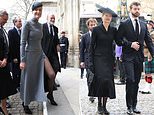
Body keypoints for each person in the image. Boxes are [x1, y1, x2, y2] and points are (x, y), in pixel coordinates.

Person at [116, 2, 154, 114]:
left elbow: (149, 41)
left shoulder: (143, 24)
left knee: (136, 82)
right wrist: (130, 44)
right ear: (130, 10)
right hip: (128, 57)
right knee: (130, 80)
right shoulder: (124, 24)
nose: (137, 10)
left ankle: (134, 105)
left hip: (139, 57)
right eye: (135, 9)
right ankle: (129, 107)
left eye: (138, 8)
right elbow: (118, 40)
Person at [20, 2, 55, 114]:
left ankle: (49, 94)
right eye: (36, 10)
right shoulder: (27, 24)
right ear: (32, 11)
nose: (38, 12)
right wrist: (22, 59)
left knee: (51, 74)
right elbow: (22, 42)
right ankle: (25, 104)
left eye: (40, 10)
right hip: (30, 55)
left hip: (40, 54)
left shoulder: (40, 25)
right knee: (29, 80)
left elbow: (42, 41)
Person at [88, 7, 117, 114]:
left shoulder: (113, 30)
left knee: (108, 82)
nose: (108, 18)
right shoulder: (96, 30)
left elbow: (119, 41)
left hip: (109, 59)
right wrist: (90, 62)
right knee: (101, 82)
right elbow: (91, 47)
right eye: (106, 16)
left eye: (109, 16)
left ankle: (104, 106)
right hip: (98, 59)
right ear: (102, 16)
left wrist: (129, 43)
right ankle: (99, 106)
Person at [42, 14, 61, 106]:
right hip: (44, 55)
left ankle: (50, 94)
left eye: (54, 18)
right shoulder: (42, 27)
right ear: (47, 18)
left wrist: (58, 46)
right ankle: (47, 94)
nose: (53, 19)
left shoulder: (55, 29)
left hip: (53, 55)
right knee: (50, 75)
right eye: (51, 18)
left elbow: (56, 40)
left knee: (56, 69)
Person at [0, 9, 17, 115]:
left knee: (4, 88)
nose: (6, 21)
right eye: (4, 19)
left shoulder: (3, 29)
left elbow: (6, 46)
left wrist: (6, 58)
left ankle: (3, 107)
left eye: (7, 20)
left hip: (4, 63)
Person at [80, 18, 97, 102]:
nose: (93, 26)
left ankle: (95, 92)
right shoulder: (84, 36)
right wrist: (82, 61)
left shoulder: (99, 35)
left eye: (94, 25)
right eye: (91, 25)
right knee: (90, 77)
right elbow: (82, 49)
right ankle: (91, 94)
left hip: (97, 60)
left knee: (96, 78)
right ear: (88, 26)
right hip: (88, 60)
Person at [140, 20, 154, 94]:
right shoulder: (145, 32)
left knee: (148, 72)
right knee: (146, 72)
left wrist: (150, 56)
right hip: (144, 54)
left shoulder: (152, 33)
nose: (147, 26)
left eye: (149, 25)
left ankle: (148, 87)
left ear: (152, 26)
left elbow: (151, 45)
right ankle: (146, 86)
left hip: (150, 55)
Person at [8, 17, 22, 91]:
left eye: (20, 21)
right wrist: (13, 57)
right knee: (15, 71)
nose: (20, 22)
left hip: (21, 56)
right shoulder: (11, 32)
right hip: (15, 56)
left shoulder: (22, 31)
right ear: (15, 23)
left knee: (20, 71)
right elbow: (11, 45)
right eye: (19, 21)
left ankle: (19, 84)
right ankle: (15, 86)